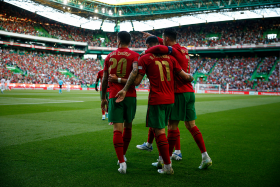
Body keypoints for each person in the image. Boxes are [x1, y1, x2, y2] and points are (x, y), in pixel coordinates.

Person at [114, 36, 193, 174]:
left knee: (160, 132)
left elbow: (137, 80)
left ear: (148, 45)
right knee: (167, 128)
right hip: (171, 99)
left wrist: (123, 84)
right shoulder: (172, 58)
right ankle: (162, 160)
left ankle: (167, 166)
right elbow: (186, 77)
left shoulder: (145, 58)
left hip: (157, 98)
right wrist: (192, 77)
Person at [141, 28, 212, 169]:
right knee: (191, 125)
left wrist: (145, 52)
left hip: (178, 91)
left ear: (166, 39)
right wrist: (154, 37)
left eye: (162, 37)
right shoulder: (184, 50)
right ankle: (205, 156)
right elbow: (165, 43)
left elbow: (161, 47)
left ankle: (165, 162)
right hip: (190, 92)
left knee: (172, 126)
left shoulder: (172, 51)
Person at [101, 31, 139, 174]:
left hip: (113, 95)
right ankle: (122, 155)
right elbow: (135, 74)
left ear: (118, 41)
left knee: (117, 129)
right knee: (128, 127)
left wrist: (103, 98)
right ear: (130, 42)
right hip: (130, 95)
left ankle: (122, 163)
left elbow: (105, 79)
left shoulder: (110, 56)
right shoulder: (135, 56)